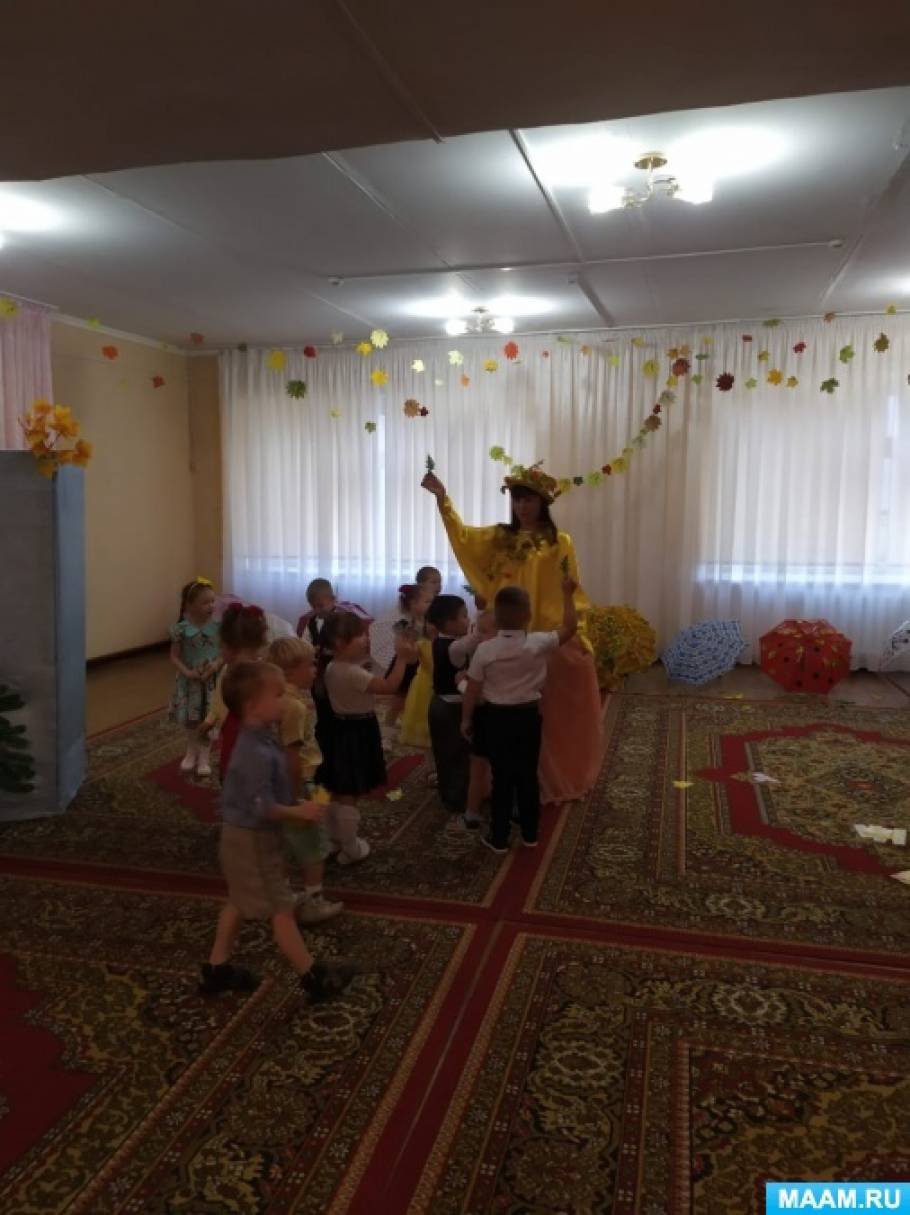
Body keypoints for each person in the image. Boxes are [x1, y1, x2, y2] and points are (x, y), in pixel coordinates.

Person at [422, 464, 602, 804]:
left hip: (542, 632)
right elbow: (465, 538)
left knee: (544, 710)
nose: (522, 506)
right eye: (517, 500)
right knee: (502, 707)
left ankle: (541, 777)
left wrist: (571, 629)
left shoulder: (559, 542)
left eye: (528, 500)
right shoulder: (501, 538)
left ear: (542, 503)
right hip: (504, 631)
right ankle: (501, 777)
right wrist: (443, 499)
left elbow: (568, 587)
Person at [199, 661, 354, 1002]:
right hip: (251, 839)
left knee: (239, 900)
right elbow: (260, 806)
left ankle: (217, 968)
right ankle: (314, 977)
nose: (286, 701)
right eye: (279, 695)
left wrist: (295, 804)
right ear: (254, 705)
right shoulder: (254, 751)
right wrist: (297, 811)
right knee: (281, 908)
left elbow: (265, 794)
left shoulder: (262, 739)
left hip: (247, 836)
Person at [462, 579, 578, 854]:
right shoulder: (538, 642)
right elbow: (570, 627)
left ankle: (499, 838)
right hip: (527, 718)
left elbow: (472, 689)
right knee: (527, 774)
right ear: (528, 615)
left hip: (496, 719)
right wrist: (567, 593)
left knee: (501, 777)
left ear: (497, 618)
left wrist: (466, 719)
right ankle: (530, 834)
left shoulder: (486, 650)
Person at [267, 637, 346, 922]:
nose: (315, 670)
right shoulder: (294, 707)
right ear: (290, 671)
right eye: (311, 665)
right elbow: (293, 755)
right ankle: (314, 900)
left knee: (283, 840)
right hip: (304, 782)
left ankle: (284, 896)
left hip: (293, 780)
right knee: (315, 843)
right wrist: (295, 796)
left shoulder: (278, 700)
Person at [319, 612, 418, 800]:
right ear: (340, 643)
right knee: (356, 770)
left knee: (347, 769)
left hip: (342, 725)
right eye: (360, 635)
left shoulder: (333, 665)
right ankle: (348, 805)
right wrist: (401, 659)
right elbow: (389, 687)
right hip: (359, 727)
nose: (366, 638)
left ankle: (344, 798)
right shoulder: (353, 672)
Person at [199, 603, 269, 782]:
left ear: (231, 648)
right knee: (231, 766)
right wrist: (210, 720)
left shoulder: (261, 673)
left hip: (251, 733)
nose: (220, 651)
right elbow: (218, 698)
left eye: (221, 646)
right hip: (230, 729)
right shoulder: (227, 670)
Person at [426, 594, 478, 813]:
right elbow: (477, 637)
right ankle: (456, 799)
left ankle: (454, 795)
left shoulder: (443, 641)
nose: (468, 620)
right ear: (448, 623)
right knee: (454, 754)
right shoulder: (454, 647)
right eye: (464, 616)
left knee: (451, 753)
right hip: (449, 708)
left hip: (442, 704)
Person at [169, 577, 222, 776]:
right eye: (205, 602)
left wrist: (215, 665)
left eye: (212, 601)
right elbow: (174, 656)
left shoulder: (218, 627)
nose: (211, 606)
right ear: (189, 604)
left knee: (208, 718)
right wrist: (188, 672)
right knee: (191, 719)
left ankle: (204, 757)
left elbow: (224, 653)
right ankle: (191, 751)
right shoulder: (180, 629)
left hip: (211, 682)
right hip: (189, 682)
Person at [458, 610, 496, 830]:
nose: (478, 635)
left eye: (483, 631)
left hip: (485, 716)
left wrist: (460, 682)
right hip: (509, 717)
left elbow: (474, 694)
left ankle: (471, 813)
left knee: (478, 767)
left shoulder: (484, 653)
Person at [385, 583, 432, 726]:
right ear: (413, 603)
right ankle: (390, 721)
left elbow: (427, 639)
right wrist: (409, 637)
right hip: (406, 662)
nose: (430, 605)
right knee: (401, 695)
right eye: (427, 602)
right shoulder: (404, 622)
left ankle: (407, 719)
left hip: (419, 661)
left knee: (413, 693)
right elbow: (398, 641)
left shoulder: (426, 621)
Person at [295, 578, 373, 648]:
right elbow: (305, 643)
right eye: (313, 607)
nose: (317, 610)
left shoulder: (343, 620)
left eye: (321, 606)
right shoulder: (311, 621)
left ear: (333, 600)